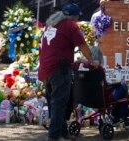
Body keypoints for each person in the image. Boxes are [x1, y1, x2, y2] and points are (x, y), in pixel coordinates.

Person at [38, 2, 92, 141]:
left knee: (55, 103)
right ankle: (53, 136)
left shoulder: (51, 23)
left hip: (45, 68)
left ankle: (62, 133)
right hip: (59, 68)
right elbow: (83, 46)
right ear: (74, 17)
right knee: (59, 104)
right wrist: (93, 60)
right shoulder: (70, 25)